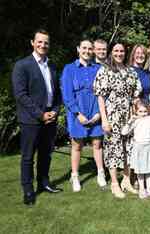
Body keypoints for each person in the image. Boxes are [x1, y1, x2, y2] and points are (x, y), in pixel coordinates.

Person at [12, 29, 62, 205]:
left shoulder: (52, 66)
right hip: (31, 120)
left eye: (46, 42)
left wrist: (54, 111)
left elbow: (57, 93)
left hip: (50, 118)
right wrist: (41, 115)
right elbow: (21, 95)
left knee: (45, 154)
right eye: (39, 41)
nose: (43, 45)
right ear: (32, 43)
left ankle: (43, 183)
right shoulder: (22, 65)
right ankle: (28, 190)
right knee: (28, 157)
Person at [94, 42, 141, 198]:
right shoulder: (105, 70)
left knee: (129, 147)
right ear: (111, 52)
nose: (119, 53)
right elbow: (100, 97)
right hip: (112, 114)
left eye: (121, 51)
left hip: (128, 115)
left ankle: (126, 181)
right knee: (113, 148)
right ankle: (114, 183)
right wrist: (104, 120)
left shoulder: (130, 71)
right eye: (116, 51)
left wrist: (137, 112)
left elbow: (135, 94)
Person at [61, 39, 106, 192]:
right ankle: (75, 176)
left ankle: (101, 173)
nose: (87, 51)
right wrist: (77, 113)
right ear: (78, 49)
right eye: (84, 48)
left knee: (97, 144)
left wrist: (99, 113)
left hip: (95, 112)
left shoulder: (98, 68)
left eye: (89, 48)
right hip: (77, 114)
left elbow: (104, 93)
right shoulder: (69, 69)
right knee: (77, 145)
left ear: (93, 51)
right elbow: (67, 94)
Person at [122, 101, 150, 199]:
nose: (143, 114)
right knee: (140, 170)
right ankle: (142, 188)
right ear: (136, 111)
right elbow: (124, 132)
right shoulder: (135, 121)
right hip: (139, 147)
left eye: (145, 111)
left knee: (149, 169)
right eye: (140, 111)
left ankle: (148, 188)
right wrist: (130, 121)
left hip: (149, 146)